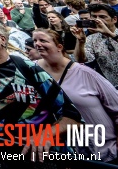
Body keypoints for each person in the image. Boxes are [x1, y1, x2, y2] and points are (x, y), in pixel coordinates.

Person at [0, 18, 81, 161]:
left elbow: (72, 116)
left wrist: (45, 135)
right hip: (6, 152)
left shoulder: (27, 67)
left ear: (2, 39)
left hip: (42, 154)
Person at [33, 28, 118, 163]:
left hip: (106, 153)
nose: (37, 44)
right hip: (67, 155)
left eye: (43, 40)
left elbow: (116, 106)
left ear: (59, 47)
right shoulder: (33, 73)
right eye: (35, 40)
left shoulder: (85, 73)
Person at [73, 2, 118, 87]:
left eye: (102, 17)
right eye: (94, 17)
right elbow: (81, 60)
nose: (97, 20)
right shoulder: (91, 38)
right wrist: (80, 42)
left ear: (114, 19)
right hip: (110, 86)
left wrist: (110, 35)